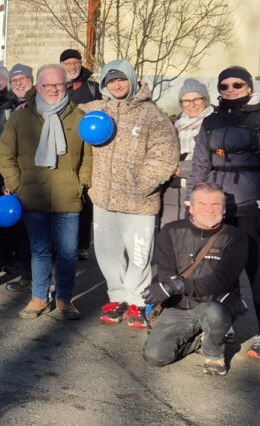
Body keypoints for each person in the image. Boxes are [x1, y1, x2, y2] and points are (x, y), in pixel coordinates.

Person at [189, 66, 260, 361]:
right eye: (224, 86)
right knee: (223, 269)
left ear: (249, 86)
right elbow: (200, 164)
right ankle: (226, 325)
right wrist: (192, 199)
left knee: (257, 271)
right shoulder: (211, 122)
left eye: (237, 84)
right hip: (218, 208)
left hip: (252, 207)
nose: (231, 90)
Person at [81, 60, 179, 328]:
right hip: (104, 199)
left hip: (139, 202)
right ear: (104, 85)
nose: (117, 85)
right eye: (111, 81)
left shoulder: (151, 115)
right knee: (108, 254)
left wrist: (142, 185)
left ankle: (137, 301)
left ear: (132, 79)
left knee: (139, 255)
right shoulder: (98, 109)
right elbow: (68, 110)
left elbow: (165, 154)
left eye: (121, 79)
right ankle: (117, 297)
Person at [0, 64, 92, 320]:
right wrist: (17, 184)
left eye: (57, 84)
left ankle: (64, 299)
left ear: (66, 86)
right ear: (37, 87)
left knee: (68, 253)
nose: (52, 89)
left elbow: (88, 155)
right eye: (47, 85)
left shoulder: (78, 117)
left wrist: (82, 183)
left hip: (68, 197)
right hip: (32, 196)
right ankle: (38, 297)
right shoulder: (21, 117)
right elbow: (5, 153)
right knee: (39, 251)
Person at [142, 182, 248, 376]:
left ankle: (213, 351)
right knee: (155, 357)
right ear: (190, 207)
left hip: (213, 304)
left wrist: (176, 285)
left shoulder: (235, 237)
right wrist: (172, 286)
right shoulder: (170, 230)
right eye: (202, 204)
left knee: (215, 313)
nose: (209, 210)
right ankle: (199, 340)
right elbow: (166, 273)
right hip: (178, 306)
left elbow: (220, 280)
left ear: (224, 209)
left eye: (215, 204)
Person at [0, 66, 30, 282]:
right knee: (1, 220)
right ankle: (3, 256)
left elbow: (11, 144)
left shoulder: (13, 106)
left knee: (16, 220)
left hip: (9, 170)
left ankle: (18, 260)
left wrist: (9, 178)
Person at [60, 51, 102, 261]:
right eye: (67, 63)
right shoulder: (57, 86)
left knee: (84, 197)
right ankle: (62, 242)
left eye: (75, 62)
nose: (72, 66)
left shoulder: (93, 88)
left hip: (87, 148)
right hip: (63, 148)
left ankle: (82, 245)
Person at [163, 79, 213, 222]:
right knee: (172, 230)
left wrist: (183, 168)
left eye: (197, 99)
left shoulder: (214, 125)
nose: (191, 105)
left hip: (203, 189)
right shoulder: (176, 125)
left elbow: (216, 159)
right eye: (186, 101)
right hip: (174, 189)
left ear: (205, 100)